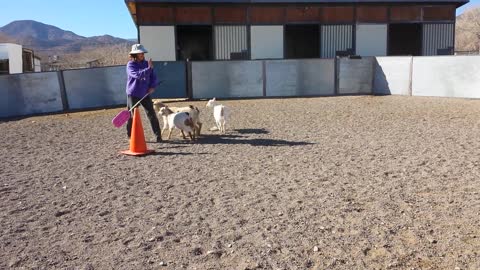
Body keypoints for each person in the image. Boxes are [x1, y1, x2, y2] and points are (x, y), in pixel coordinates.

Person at [126, 44, 162, 142]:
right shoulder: (130, 65)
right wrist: (149, 69)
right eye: (139, 53)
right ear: (134, 54)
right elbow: (137, 75)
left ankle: (158, 136)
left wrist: (152, 86)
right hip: (133, 93)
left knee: (151, 114)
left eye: (142, 53)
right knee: (131, 115)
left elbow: (153, 77)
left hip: (145, 93)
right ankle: (130, 136)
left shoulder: (147, 64)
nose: (142, 54)